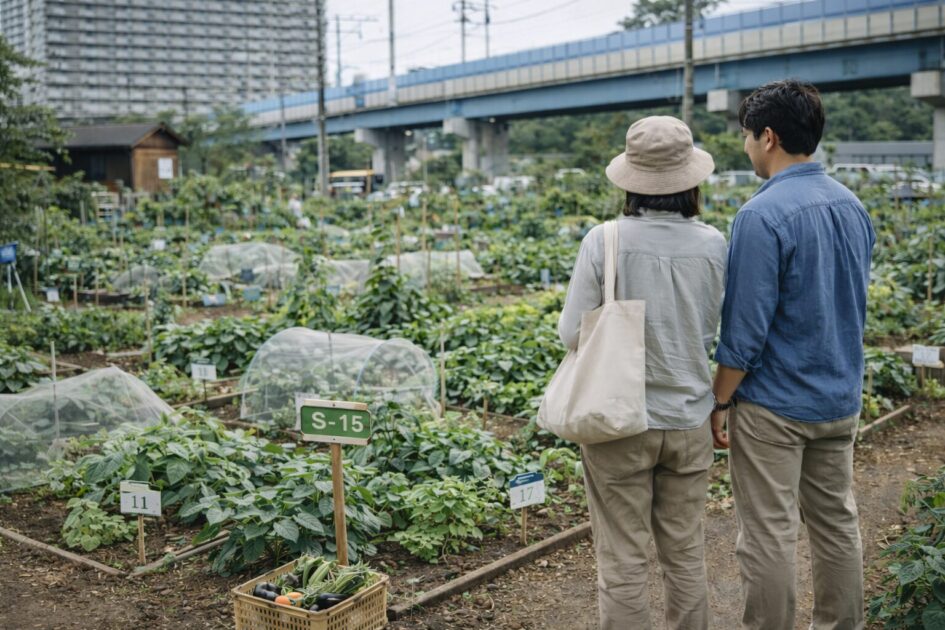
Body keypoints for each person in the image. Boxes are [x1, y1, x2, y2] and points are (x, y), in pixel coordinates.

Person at [710, 80, 875, 630]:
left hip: (776, 408)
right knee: (836, 524)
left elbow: (745, 329)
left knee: (767, 534)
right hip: (839, 398)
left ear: (770, 137)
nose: (747, 148)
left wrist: (721, 398)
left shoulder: (761, 215)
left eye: (747, 137)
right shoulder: (853, 206)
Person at [558, 116, 726, 630]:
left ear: (630, 182)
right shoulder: (716, 243)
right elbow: (727, 329)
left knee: (623, 560)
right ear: (691, 182)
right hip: (689, 418)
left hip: (617, 422)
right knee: (685, 554)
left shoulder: (603, 240)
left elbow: (571, 335)